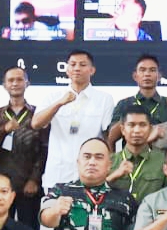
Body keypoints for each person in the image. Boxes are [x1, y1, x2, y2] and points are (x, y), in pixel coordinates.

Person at [0, 65, 48, 230]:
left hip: (28, 185)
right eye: (11, 80)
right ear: (4, 85)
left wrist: (34, 180)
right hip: (0, 185)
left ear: (27, 83)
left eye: (19, 79)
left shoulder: (37, 115)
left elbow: (44, 150)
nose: (15, 83)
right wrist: (4, 129)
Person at [33, 49, 112, 195]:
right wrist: (59, 103)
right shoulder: (53, 97)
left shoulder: (104, 99)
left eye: (82, 64)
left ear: (92, 70)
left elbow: (108, 136)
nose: (77, 68)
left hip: (91, 175)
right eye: (73, 64)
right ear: (67, 69)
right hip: (58, 175)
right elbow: (36, 123)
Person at [107, 53, 167, 146]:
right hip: (132, 154)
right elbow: (111, 137)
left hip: (161, 154)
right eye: (142, 70)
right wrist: (128, 117)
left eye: (152, 70)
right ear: (135, 76)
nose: (147, 74)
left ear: (159, 76)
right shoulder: (124, 104)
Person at [109, 109, 167, 201]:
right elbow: (93, 192)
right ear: (123, 129)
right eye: (131, 125)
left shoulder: (163, 161)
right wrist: (113, 176)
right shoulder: (110, 161)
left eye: (142, 125)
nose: (137, 130)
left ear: (150, 129)